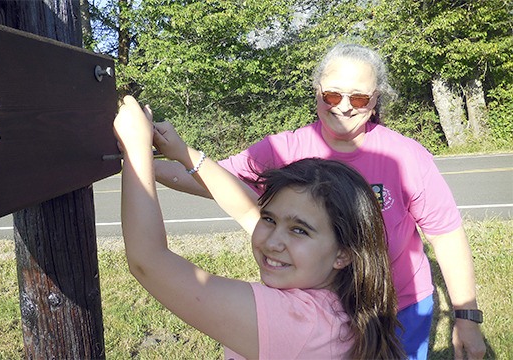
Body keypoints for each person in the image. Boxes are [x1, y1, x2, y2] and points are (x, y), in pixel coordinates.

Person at [153, 43, 486, 359]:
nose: (342, 105)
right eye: (331, 94)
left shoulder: (406, 157)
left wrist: (466, 317)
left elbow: (446, 235)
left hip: (397, 308)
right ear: (316, 92)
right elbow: (214, 179)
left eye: (358, 98)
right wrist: (139, 161)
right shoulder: (283, 149)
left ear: (375, 100)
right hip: (314, 312)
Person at [113, 95, 405, 359]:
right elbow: (246, 206)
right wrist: (182, 153)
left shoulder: (298, 323)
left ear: (343, 252)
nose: (272, 242)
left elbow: (149, 262)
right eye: (270, 219)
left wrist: (136, 149)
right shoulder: (345, 300)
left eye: (299, 230)